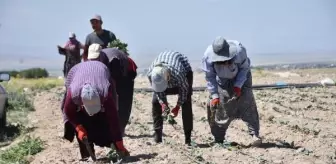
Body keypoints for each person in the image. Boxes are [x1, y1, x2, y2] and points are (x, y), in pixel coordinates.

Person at [62, 60, 130, 160]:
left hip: (100, 70)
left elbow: (113, 119)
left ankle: (113, 146)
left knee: (105, 121)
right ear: (82, 104)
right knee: (81, 121)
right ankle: (87, 156)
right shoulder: (73, 94)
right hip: (76, 73)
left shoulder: (106, 93)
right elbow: (68, 112)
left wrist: (119, 143)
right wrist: (78, 127)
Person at [201, 36, 262, 146]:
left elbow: (244, 69)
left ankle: (255, 135)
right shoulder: (207, 56)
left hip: (241, 76)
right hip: (221, 81)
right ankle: (219, 139)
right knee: (221, 107)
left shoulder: (239, 51)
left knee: (247, 102)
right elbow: (210, 77)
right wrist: (214, 95)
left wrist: (238, 86)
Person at [87, 44, 137, 136]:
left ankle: (121, 129)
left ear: (101, 55)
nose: (94, 61)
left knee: (124, 101)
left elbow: (112, 85)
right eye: (92, 58)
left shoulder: (113, 61)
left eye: (96, 58)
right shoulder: (91, 62)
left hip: (127, 72)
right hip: (113, 73)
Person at [146, 51, 193, 145]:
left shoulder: (178, 74)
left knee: (186, 102)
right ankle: (158, 136)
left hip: (185, 72)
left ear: (167, 77)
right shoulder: (151, 74)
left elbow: (183, 92)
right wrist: (163, 104)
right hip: (167, 74)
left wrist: (177, 107)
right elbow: (158, 91)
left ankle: (188, 138)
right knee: (155, 102)